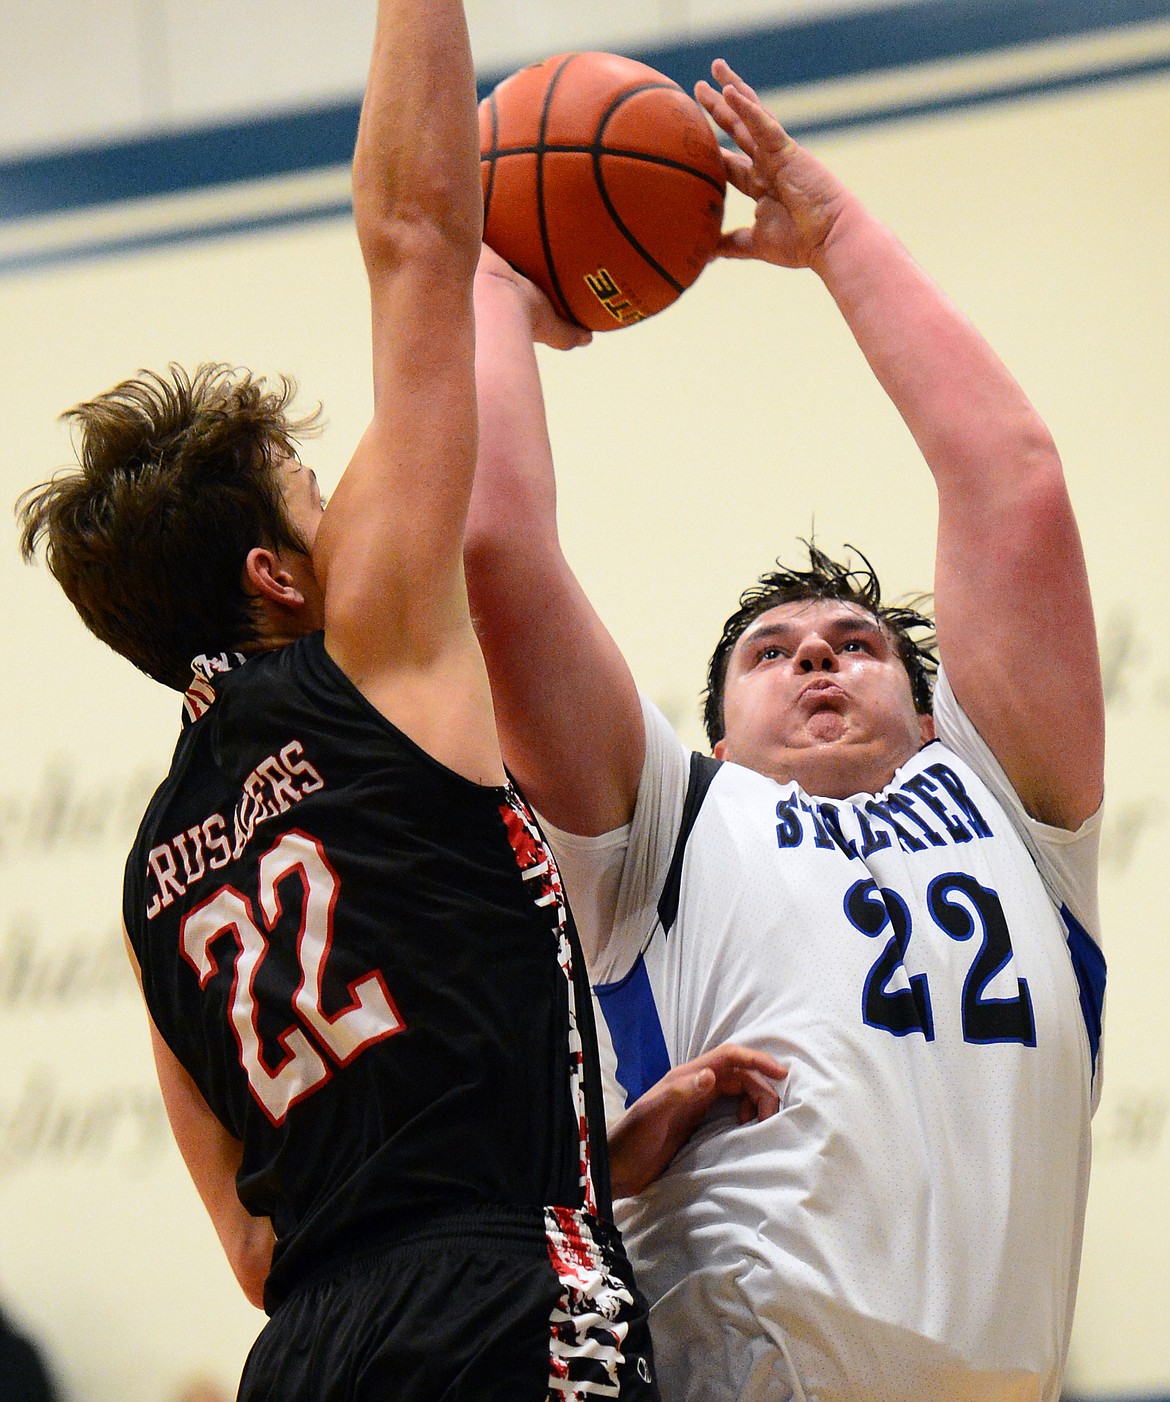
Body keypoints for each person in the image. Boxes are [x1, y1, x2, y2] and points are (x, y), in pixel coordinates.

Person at [14, 8, 783, 1399]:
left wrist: (586, 1156)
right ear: (277, 576)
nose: (351, 508)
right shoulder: (364, 650)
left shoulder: (146, 890)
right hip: (506, 1301)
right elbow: (418, 231)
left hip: (308, 1359)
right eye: (315, 498)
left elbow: (263, 1246)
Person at [464, 60, 1106, 1402]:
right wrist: (491, 281)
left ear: (936, 715)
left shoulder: (1013, 817)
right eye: (770, 652)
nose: (815, 652)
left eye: (857, 644)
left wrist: (835, 235)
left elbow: (1013, 480)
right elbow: (499, 552)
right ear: (711, 727)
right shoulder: (664, 824)